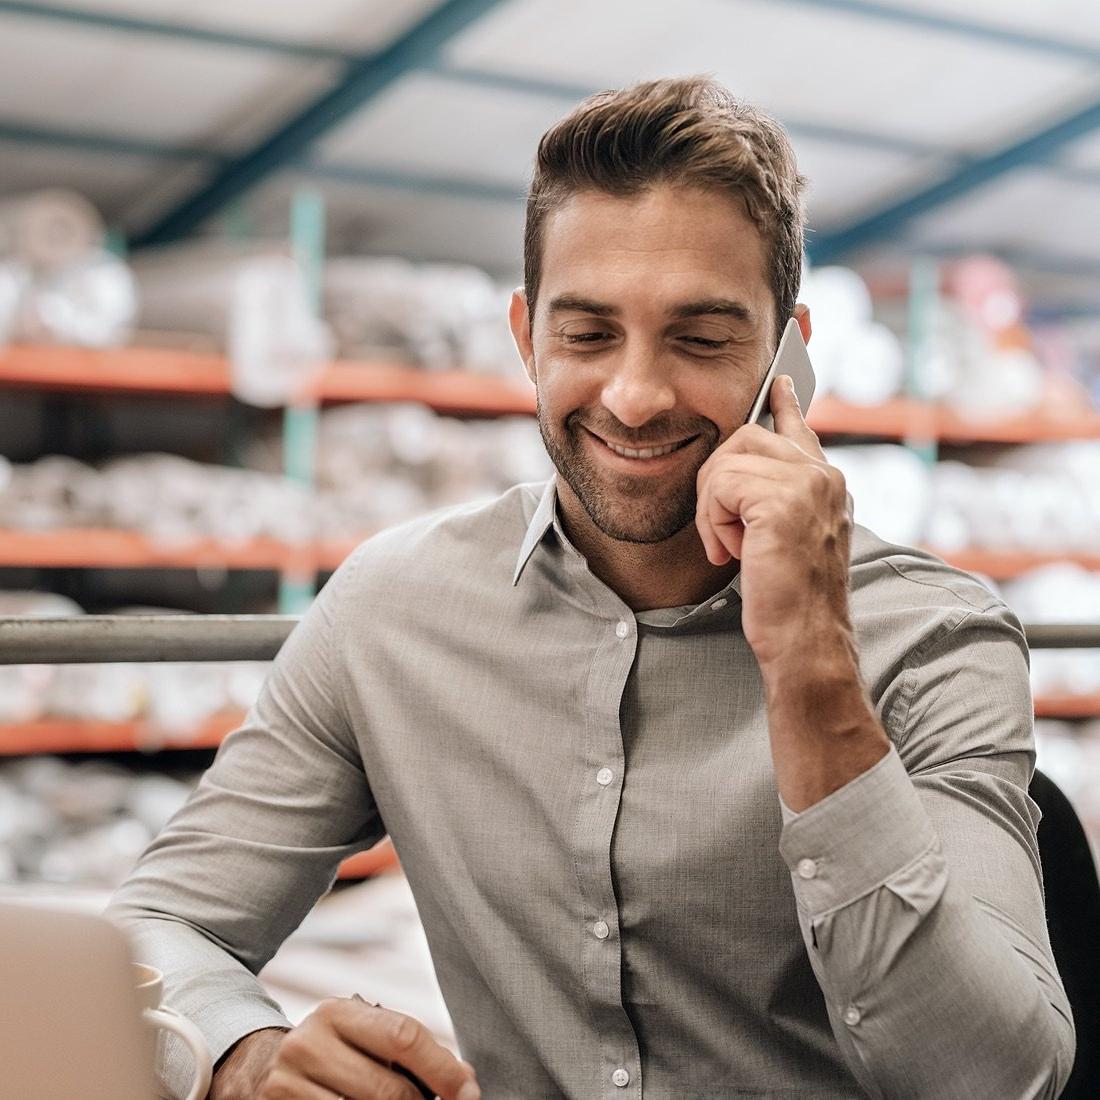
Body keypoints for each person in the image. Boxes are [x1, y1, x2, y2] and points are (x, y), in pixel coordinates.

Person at [108, 77, 1074, 1100]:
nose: (634, 394)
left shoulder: (932, 636)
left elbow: (997, 1076)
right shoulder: (391, 609)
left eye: (700, 338)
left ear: (787, 351)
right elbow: (161, 922)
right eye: (586, 334)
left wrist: (812, 666)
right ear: (525, 337)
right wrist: (244, 1054)